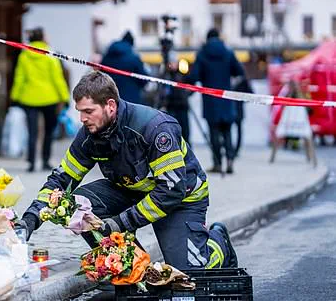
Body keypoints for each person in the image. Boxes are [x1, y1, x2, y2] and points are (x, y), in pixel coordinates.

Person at [17, 71, 238, 270]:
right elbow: (61, 181)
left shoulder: (155, 128)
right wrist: (30, 219)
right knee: (75, 205)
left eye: (88, 111)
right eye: (80, 112)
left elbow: (171, 191)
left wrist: (120, 223)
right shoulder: (89, 134)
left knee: (189, 271)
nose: (82, 119)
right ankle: (130, 266)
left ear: (110, 106)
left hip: (180, 199)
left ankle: (219, 242)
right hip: (133, 191)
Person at [10, 27, 69, 173]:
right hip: (50, 98)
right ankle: (45, 160)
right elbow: (57, 78)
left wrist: (14, 97)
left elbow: (19, 78)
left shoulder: (24, 55)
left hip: (29, 98)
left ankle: (31, 162)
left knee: (32, 132)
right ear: (43, 37)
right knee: (49, 131)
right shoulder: (50, 54)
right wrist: (65, 97)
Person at [187, 29, 245, 174]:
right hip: (226, 99)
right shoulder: (228, 52)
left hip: (210, 101)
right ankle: (230, 160)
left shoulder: (202, 53)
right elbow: (239, 71)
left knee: (213, 133)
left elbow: (194, 76)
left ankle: (218, 163)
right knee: (227, 132)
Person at [100, 30, 147, 104]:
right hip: (131, 99)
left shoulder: (107, 57)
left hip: (110, 99)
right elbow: (143, 79)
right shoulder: (133, 58)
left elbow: (101, 76)